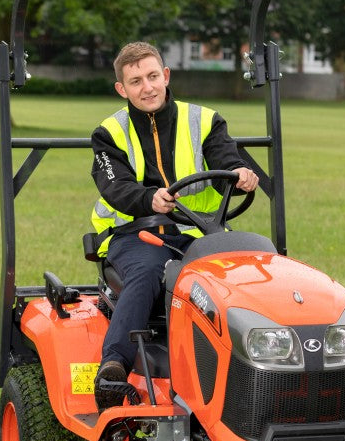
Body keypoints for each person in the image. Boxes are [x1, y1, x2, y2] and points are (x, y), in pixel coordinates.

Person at [90, 42, 259, 411]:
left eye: (153, 76)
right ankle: (113, 364)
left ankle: (256, 369)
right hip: (137, 234)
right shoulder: (109, 133)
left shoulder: (205, 120)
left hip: (200, 234)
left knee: (250, 270)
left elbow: (225, 159)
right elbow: (114, 185)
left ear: (166, 76)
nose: (147, 87)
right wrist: (148, 199)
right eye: (135, 81)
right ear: (122, 88)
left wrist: (240, 174)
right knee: (152, 271)